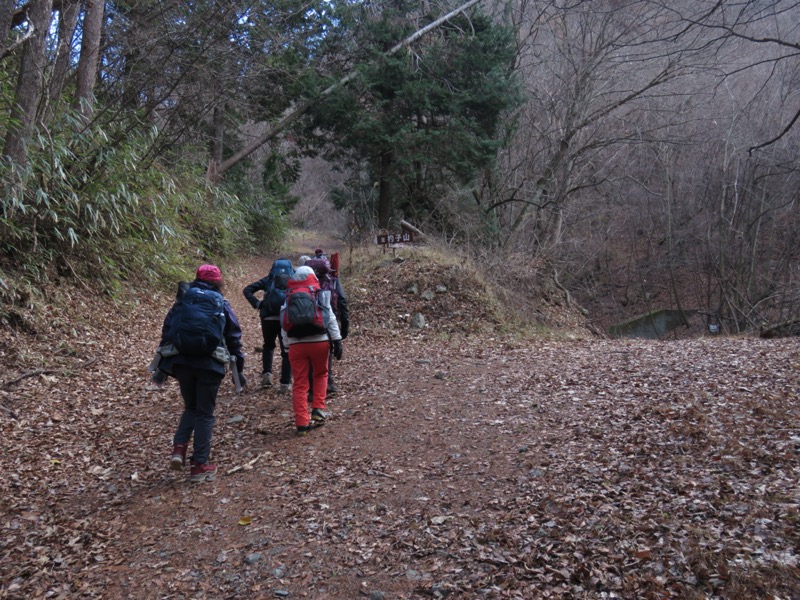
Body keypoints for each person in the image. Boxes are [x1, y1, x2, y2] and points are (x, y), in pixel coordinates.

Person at [158, 264, 245, 483]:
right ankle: (199, 466)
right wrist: (239, 366)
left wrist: (164, 363)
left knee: (191, 407)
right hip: (210, 364)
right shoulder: (220, 302)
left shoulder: (184, 300)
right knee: (205, 413)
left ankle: (179, 449)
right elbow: (233, 335)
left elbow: (168, 329)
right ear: (218, 281)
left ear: (196, 279)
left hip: (182, 362)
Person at [281, 266, 343, 436]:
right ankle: (318, 409)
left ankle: (301, 423)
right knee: (321, 374)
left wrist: (287, 345)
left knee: (300, 383)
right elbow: (329, 318)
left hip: (296, 344)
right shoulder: (318, 292)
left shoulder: (289, 295)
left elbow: (283, 322)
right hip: (319, 342)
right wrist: (337, 340)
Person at [243, 259, 294, 390]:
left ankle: (267, 374)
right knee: (286, 349)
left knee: (268, 345)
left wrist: (257, 304)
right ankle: (285, 382)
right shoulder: (294, 279)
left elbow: (247, 290)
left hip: (268, 318)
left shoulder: (268, 279)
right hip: (286, 318)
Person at [303, 254, 349, 396]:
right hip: (330, 320)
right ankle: (327, 384)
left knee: (311, 355)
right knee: (326, 353)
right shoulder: (333, 281)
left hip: (310, 321)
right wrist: (344, 326)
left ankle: (311, 388)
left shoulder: (305, 284)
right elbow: (342, 301)